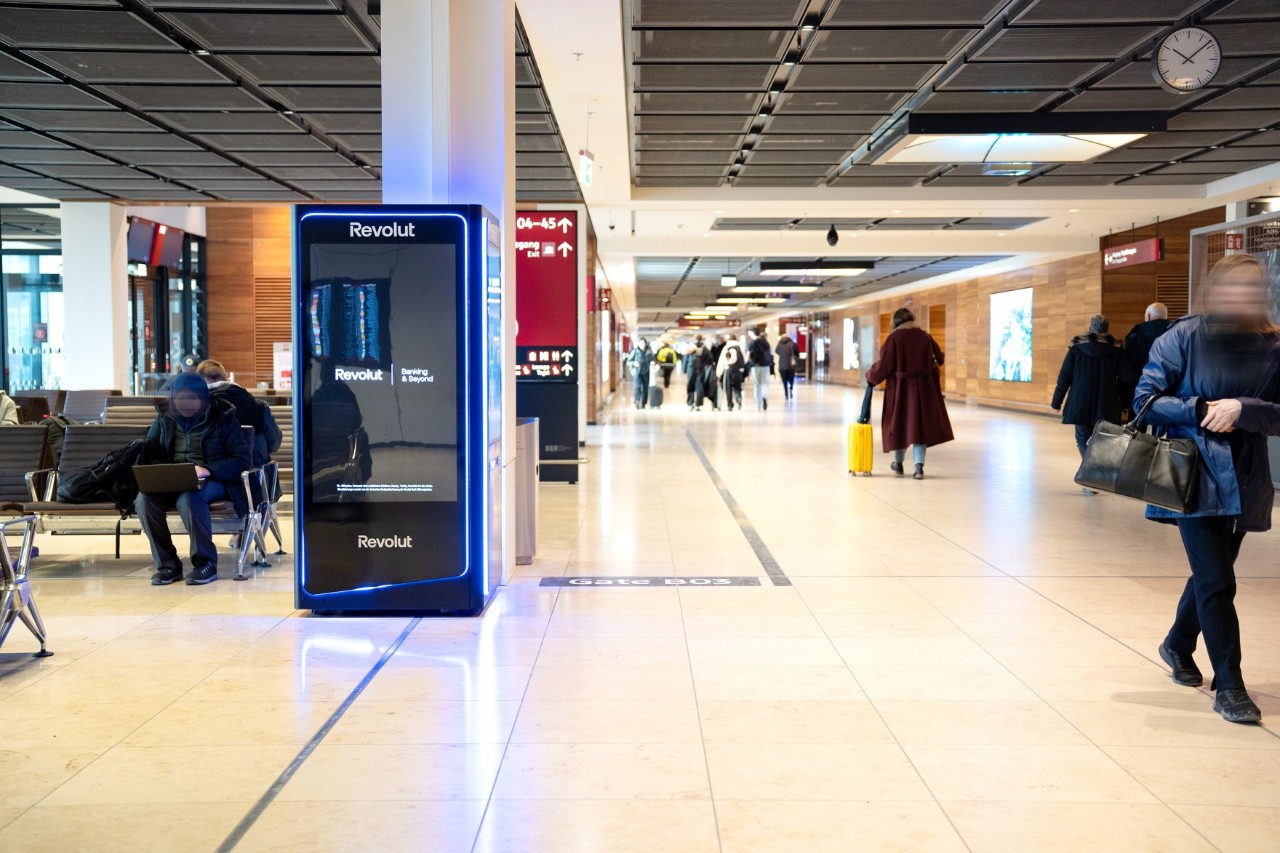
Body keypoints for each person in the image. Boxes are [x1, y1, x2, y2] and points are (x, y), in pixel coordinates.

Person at [1136, 254, 1280, 725]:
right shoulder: (1183, 336)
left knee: (1209, 574)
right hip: (1193, 474)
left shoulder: (1272, 344)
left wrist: (1243, 406)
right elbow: (1146, 401)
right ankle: (1230, 686)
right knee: (1218, 580)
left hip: (1246, 476)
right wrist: (1199, 408)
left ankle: (1177, 644)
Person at [135, 372, 251, 586]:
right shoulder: (164, 419)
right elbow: (149, 452)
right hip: (172, 479)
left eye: (191, 398)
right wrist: (160, 470)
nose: (185, 404)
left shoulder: (223, 418)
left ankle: (205, 563)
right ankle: (167, 564)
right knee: (144, 500)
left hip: (213, 480)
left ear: (203, 398)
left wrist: (207, 469)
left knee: (189, 498)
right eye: (180, 398)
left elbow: (241, 461)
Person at [866, 308, 954, 479]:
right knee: (919, 427)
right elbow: (940, 358)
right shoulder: (925, 336)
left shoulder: (894, 338)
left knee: (900, 425)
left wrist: (871, 377)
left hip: (901, 390)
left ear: (896, 321)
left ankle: (898, 463)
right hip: (924, 390)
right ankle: (919, 467)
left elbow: (884, 365)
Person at [1051, 315, 1124, 483]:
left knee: (1082, 437)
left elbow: (1065, 376)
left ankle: (1089, 474)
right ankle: (1094, 473)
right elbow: (1126, 377)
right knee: (1103, 439)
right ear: (1106, 330)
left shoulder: (1076, 349)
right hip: (1107, 403)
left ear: (1090, 329)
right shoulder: (1116, 349)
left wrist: (1057, 401)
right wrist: (1125, 402)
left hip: (1080, 402)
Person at [195, 359, 282, 469]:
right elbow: (274, 444)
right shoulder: (259, 406)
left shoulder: (197, 409)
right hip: (254, 477)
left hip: (213, 476)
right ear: (226, 377)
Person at [1120, 302, 1172, 415]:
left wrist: (1125, 398)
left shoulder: (1137, 335)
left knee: (1138, 428)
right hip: (1170, 390)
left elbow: (1129, 368)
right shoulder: (1176, 333)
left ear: (1148, 316)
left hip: (1141, 390)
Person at [716, 334, 746, 412]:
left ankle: (730, 405)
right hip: (738, 371)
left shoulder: (726, 347)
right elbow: (744, 360)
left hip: (728, 370)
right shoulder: (740, 347)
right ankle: (738, 398)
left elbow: (722, 361)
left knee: (728, 389)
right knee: (737, 387)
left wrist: (719, 373)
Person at [747, 328, 774, 411]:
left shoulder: (751, 343)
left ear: (753, 333)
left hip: (755, 366)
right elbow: (771, 354)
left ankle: (758, 404)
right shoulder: (766, 342)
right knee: (765, 383)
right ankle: (764, 397)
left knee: (757, 385)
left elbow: (747, 355)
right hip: (765, 365)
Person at [627, 338, 653, 409]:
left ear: (645, 343)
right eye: (641, 343)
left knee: (645, 388)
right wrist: (634, 363)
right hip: (637, 372)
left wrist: (653, 362)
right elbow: (628, 362)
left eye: (643, 343)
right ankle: (637, 401)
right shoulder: (635, 351)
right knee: (637, 387)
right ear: (638, 344)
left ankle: (644, 402)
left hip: (646, 372)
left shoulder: (649, 351)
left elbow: (653, 359)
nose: (642, 344)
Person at [775, 334, 800, 402]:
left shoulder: (779, 344)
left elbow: (776, 351)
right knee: (791, 378)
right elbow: (798, 353)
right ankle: (791, 388)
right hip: (791, 365)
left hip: (782, 365)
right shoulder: (792, 344)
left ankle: (786, 394)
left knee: (784, 381)